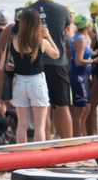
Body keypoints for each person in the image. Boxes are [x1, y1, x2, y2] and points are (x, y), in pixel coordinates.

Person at [28, 0, 73, 139]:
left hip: (37, 62)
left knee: (43, 106)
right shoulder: (62, 10)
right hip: (58, 61)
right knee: (63, 106)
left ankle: (45, 143)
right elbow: (67, 31)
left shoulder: (29, 11)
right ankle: (68, 143)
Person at [9, 8, 60, 143]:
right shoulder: (41, 42)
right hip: (36, 82)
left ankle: (22, 156)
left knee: (22, 124)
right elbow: (56, 54)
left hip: (19, 82)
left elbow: (8, 64)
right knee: (39, 126)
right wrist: (47, 36)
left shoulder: (14, 41)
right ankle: (38, 155)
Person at [68, 14, 98, 138]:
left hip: (85, 76)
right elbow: (78, 61)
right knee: (80, 110)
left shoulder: (85, 38)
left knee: (87, 108)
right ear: (86, 25)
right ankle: (76, 136)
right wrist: (95, 61)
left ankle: (82, 134)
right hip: (78, 76)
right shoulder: (79, 40)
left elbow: (90, 53)